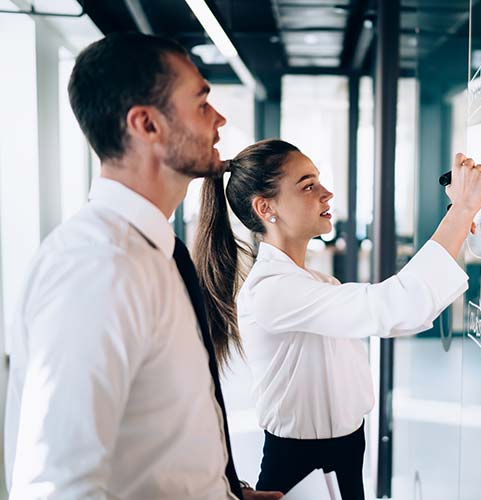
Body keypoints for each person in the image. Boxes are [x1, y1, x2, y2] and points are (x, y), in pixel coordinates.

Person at [4, 33, 281, 500]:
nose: (219, 119)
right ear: (147, 125)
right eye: (201, 104)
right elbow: (57, 487)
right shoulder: (99, 267)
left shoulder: (153, 252)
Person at [193, 139, 481, 499]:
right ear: (264, 207)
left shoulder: (316, 281)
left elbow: (401, 317)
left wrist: (458, 224)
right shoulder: (271, 291)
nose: (327, 193)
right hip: (302, 467)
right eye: (308, 185)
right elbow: (395, 305)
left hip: (345, 454)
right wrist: (460, 211)